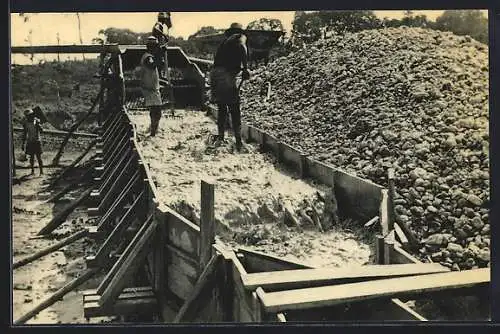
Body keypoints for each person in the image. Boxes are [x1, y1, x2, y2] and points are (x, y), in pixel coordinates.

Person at [210, 23, 250, 151]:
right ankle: (238, 142)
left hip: (215, 75)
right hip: (226, 74)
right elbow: (243, 47)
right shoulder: (239, 37)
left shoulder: (225, 43)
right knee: (234, 107)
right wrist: (245, 68)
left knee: (222, 107)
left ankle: (221, 138)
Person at [140, 36, 163, 137]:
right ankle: (153, 132)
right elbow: (152, 65)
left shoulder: (150, 57)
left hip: (151, 88)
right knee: (157, 111)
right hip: (150, 89)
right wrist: (159, 55)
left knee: (155, 111)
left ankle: (153, 129)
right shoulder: (148, 57)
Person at [21, 109, 44, 176]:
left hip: (37, 141)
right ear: (26, 116)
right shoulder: (26, 123)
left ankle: (41, 172)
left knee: (39, 157)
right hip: (30, 141)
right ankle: (32, 171)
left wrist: (39, 126)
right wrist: (23, 143)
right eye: (28, 116)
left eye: (31, 115)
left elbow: (41, 130)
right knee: (31, 157)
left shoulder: (36, 121)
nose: (30, 116)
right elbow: (25, 133)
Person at [152, 12, 172, 77]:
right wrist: (164, 35)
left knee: (160, 62)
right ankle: (160, 76)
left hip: (158, 46)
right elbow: (156, 28)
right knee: (160, 62)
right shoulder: (159, 24)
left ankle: (160, 76)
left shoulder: (159, 24)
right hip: (157, 47)